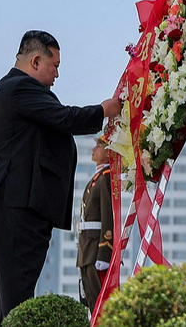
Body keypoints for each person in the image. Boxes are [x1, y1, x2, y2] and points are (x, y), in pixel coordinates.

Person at [0, 30, 122, 327]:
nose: (57, 73)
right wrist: (103, 111)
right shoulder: (19, 87)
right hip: (18, 202)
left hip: (18, 201)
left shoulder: (16, 89)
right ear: (35, 61)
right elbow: (64, 118)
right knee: (16, 295)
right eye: (54, 65)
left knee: (10, 293)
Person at [76, 134, 114, 313]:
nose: (93, 149)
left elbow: (108, 216)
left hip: (96, 250)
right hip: (87, 248)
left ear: (109, 152)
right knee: (91, 301)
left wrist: (104, 252)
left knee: (101, 304)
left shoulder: (106, 178)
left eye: (98, 146)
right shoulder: (98, 178)